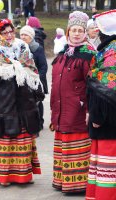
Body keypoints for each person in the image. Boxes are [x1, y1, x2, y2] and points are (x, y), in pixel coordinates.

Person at [0, 18, 43, 186]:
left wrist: (21, 69)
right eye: (5, 32)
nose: (10, 35)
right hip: (1, 103)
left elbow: (33, 69)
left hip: (23, 102)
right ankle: (4, 176)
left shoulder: (22, 46)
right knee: (5, 138)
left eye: (11, 31)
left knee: (22, 139)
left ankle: (23, 175)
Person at [50, 11, 96, 193]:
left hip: (78, 110)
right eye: (73, 30)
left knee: (76, 144)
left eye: (80, 30)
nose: (76, 33)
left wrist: (89, 109)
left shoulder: (89, 54)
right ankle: (63, 181)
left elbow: (93, 85)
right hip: (60, 109)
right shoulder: (63, 53)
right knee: (63, 144)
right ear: (68, 32)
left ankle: (77, 184)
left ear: (85, 33)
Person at [86, 10, 116, 200]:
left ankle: (105, 196)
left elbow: (103, 90)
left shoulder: (110, 52)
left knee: (108, 161)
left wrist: (97, 116)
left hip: (108, 122)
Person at [20, 25, 48, 130]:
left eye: (25, 35)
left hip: (37, 80)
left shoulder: (37, 48)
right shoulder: (19, 48)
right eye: (21, 34)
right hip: (24, 80)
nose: (23, 37)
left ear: (31, 36)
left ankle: (39, 122)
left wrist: (37, 79)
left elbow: (43, 66)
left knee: (37, 102)